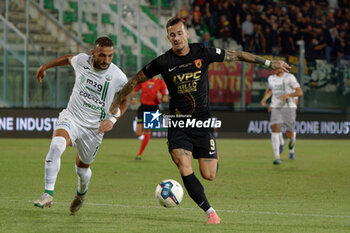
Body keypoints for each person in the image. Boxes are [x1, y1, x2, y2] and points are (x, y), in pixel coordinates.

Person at [109, 17, 290, 224]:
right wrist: (116, 100)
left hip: (202, 122)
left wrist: (269, 63)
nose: (176, 38)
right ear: (168, 38)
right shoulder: (163, 62)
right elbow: (135, 80)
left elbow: (238, 55)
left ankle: (212, 153)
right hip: (178, 124)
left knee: (209, 175)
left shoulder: (203, 52)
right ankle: (210, 212)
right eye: (172, 35)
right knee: (184, 167)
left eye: (179, 33)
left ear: (187, 34)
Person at [33, 36, 129, 215]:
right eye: (102, 55)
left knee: (82, 168)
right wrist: (45, 66)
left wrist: (113, 120)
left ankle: (81, 193)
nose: (106, 60)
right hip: (72, 117)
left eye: (110, 56)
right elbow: (68, 58)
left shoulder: (118, 76)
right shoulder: (82, 61)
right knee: (56, 145)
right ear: (93, 53)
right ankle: (48, 193)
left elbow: (125, 101)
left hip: (94, 129)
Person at [261, 71, 303, 165]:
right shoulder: (271, 78)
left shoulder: (290, 78)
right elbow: (270, 90)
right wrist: (265, 99)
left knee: (290, 134)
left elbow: (299, 94)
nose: (275, 68)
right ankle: (277, 157)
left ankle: (291, 146)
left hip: (289, 108)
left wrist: (288, 96)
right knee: (275, 129)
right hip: (276, 108)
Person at [131, 76, 168, 160]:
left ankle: (139, 154)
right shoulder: (143, 80)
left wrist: (161, 97)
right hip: (143, 108)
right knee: (138, 133)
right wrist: (134, 98)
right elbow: (134, 90)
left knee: (147, 130)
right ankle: (145, 136)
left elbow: (166, 99)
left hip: (154, 109)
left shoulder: (161, 82)